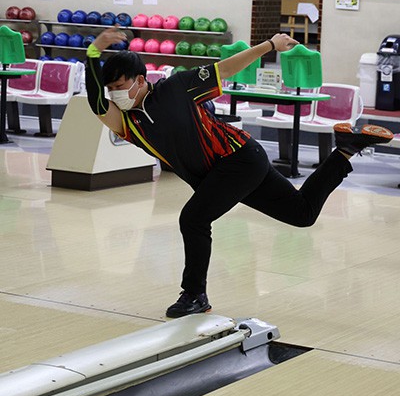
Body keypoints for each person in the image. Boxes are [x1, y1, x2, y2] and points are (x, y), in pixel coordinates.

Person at [85, 27, 394, 318]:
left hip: (239, 157)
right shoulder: (127, 123)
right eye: (110, 90)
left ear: (140, 79)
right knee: (302, 214)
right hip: (225, 172)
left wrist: (269, 45)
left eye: (119, 87)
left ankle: (194, 295)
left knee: (193, 219)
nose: (115, 95)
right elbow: (96, 100)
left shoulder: (176, 87)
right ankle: (345, 150)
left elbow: (225, 69)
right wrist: (94, 51)